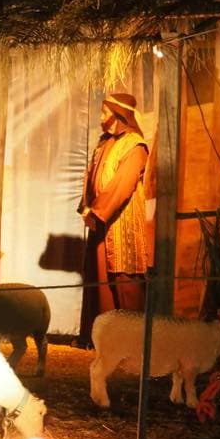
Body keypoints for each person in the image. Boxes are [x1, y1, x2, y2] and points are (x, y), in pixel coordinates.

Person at [77, 92, 149, 347]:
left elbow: (123, 184)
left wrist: (98, 211)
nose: (100, 117)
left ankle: (133, 343)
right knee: (100, 282)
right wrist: (87, 208)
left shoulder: (135, 146)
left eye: (104, 113)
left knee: (123, 279)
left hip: (121, 222)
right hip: (99, 222)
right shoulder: (103, 143)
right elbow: (91, 176)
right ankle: (102, 340)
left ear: (118, 116)